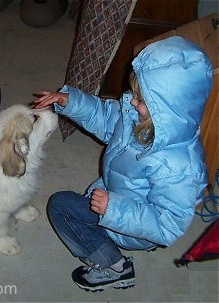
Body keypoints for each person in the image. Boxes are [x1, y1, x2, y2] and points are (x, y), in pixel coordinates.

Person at [33, 36, 213, 292]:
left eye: (141, 100)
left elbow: (168, 225)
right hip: (119, 195)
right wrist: (69, 101)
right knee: (85, 198)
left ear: (167, 111)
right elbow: (105, 117)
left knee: (61, 207)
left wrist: (113, 209)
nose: (132, 102)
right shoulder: (136, 115)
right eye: (136, 94)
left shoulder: (180, 165)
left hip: (134, 222)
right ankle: (112, 233)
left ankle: (116, 267)